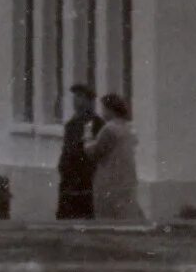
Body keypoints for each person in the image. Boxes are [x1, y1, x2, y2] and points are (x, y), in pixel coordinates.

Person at [88, 93, 142, 222]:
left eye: (103, 109)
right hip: (127, 178)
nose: (102, 113)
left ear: (110, 109)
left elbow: (95, 152)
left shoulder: (109, 129)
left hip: (109, 179)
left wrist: (87, 139)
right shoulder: (129, 128)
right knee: (125, 215)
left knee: (106, 217)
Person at [56, 84, 99, 220]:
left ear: (90, 101)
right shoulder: (71, 124)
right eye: (75, 97)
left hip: (85, 179)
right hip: (69, 179)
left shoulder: (97, 124)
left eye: (80, 97)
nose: (76, 101)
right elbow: (67, 149)